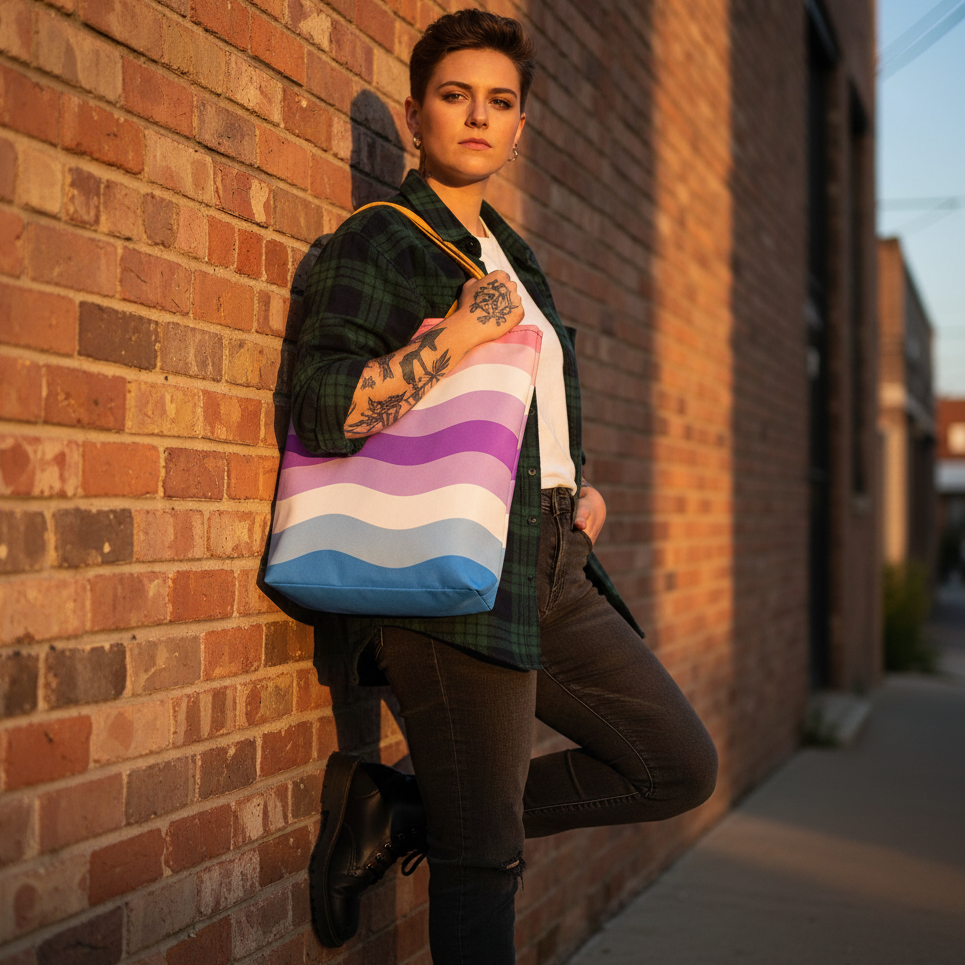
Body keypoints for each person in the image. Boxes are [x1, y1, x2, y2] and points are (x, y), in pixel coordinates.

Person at [291, 10, 718, 964]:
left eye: (499, 102)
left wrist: (578, 487)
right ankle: (440, 818)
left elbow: (522, 422)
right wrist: (453, 334)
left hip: (553, 558)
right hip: (451, 574)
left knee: (674, 763)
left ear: (520, 126)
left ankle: (401, 807)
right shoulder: (383, 242)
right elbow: (321, 407)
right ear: (414, 116)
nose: (477, 118)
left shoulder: (515, 260)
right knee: (483, 855)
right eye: (454, 97)